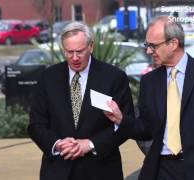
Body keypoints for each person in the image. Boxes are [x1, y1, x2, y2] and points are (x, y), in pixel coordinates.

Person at [104, 16, 194, 180]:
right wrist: (120, 119)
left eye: (153, 46)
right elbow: (146, 129)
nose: (148, 51)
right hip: (162, 170)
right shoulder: (149, 81)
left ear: (173, 44)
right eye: (147, 45)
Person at [28, 21, 134, 180]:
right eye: (69, 52)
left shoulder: (114, 78)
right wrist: (58, 144)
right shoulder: (48, 78)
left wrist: (91, 144)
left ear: (91, 47)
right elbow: (36, 124)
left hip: (101, 170)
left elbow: (126, 123)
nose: (75, 58)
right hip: (58, 170)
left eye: (80, 51)